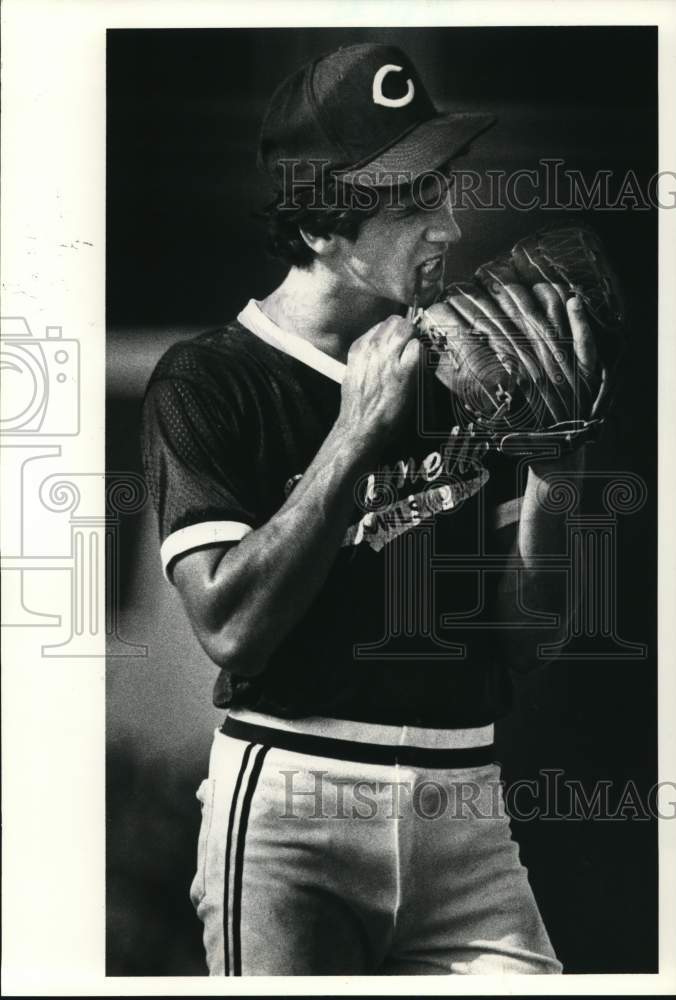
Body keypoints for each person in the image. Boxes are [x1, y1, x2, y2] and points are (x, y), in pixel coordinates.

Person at [141, 42, 597, 975]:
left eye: (446, 189)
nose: (449, 225)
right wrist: (355, 433)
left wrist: (557, 473)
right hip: (293, 809)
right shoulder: (210, 380)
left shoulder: (471, 367)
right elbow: (230, 627)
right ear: (319, 225)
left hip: (465, 799)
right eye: (413, 199)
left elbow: (524, 638)